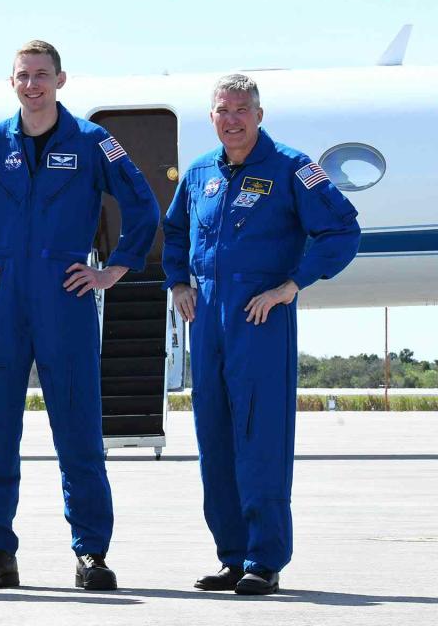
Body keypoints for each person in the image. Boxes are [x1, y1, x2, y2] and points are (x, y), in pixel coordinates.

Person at [0, 40, 159, 590]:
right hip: (2, 299)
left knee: (78, 430)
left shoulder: (92, 142)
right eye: (23, 75)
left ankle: (91, 553)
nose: (32, 85)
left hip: (66, 297)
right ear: (11, 82)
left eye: (42, 75)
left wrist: (114, 269)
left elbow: (143, 206)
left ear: (61, 81)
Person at [162, 74, 360, 595]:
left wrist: (291, 285)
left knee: (260, 439)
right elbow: (176, 230)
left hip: (260, 319)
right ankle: (231, 556)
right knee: (215, 441)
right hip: (208, 322)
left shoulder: (294, 168)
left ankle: (264, 559)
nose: (232, 120)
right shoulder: (200, 172)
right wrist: (179, 282)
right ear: (212, 117)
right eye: (222, 111)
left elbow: (342, 229)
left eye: (242, 110)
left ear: (259, 114)